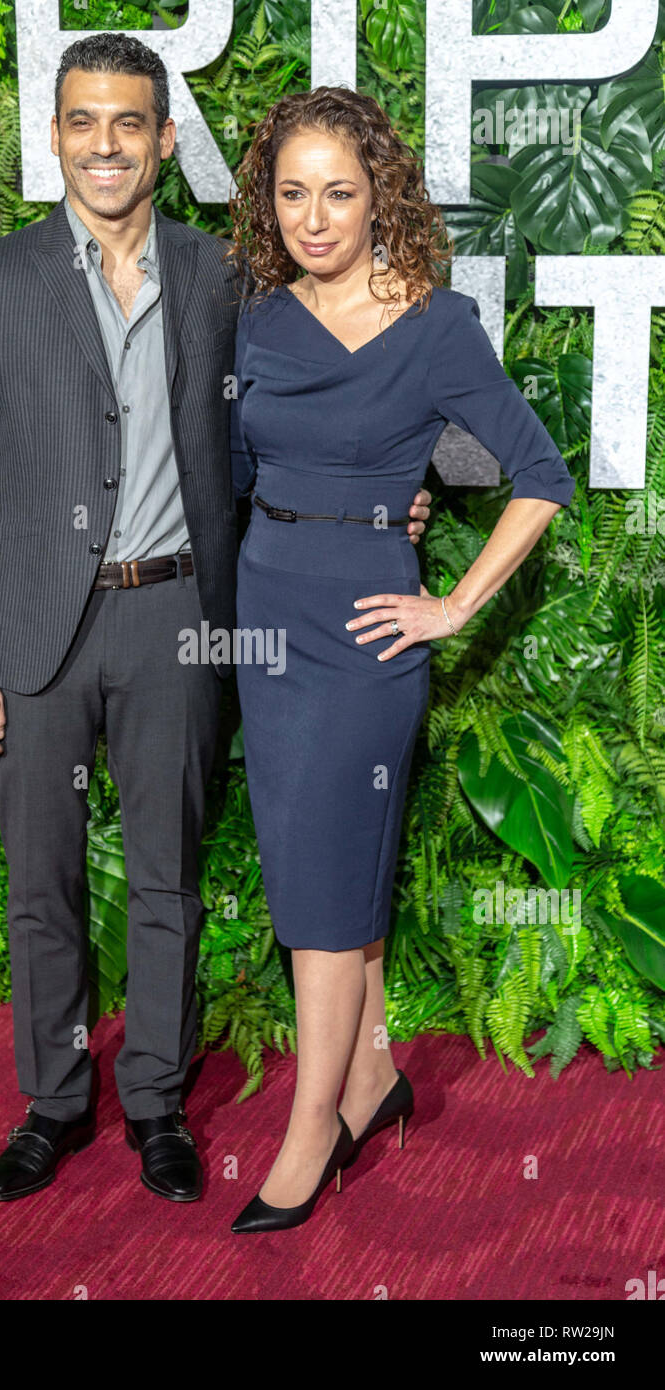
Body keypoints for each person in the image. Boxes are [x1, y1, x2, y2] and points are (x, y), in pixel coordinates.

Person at [0, 36, 435, 1207]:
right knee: (41, 884)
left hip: (181, 624)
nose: (106, 143)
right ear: (53, 135)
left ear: (162, 139)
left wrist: (385, 490)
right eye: (83, 120)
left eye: (129, 122)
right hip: (36, 630)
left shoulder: (218, 278)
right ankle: (54, 1102)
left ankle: (155, 1099)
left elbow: (304, 417)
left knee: (168, 876)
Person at [225, 87, 576, 1234]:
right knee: (310, 863)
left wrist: (449, 607)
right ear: (265, 204)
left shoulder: (435, 324)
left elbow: (537, 477)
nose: (313, 217)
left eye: (337, 191)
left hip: (366, 631)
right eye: (291, 193)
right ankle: (372, 1074)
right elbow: (237, 461)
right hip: (264, 613)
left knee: (324, 897)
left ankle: (311, 1124)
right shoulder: (262, 320)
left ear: (381, 195)